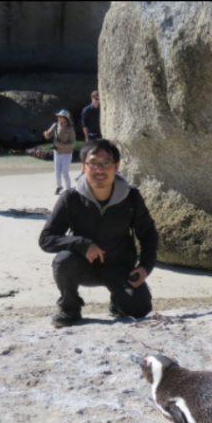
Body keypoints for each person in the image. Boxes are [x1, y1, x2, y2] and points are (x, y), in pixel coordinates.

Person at [38, 138, 158, 326]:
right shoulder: (70, 197)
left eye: (106, 163)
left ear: (116, 166)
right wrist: (82, 244)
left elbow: (148, 234)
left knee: (140, 309)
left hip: (120, 267)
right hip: (83, 266)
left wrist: (145, 267)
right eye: (93, 163)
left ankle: (117, 303)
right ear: (84, 167)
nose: (99, 169)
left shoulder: (131, 197)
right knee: (62, 261)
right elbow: (46, 239)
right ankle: (70, 308)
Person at [41, 109, 77, 195]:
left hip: (67, 153)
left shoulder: (70, 129)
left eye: (60, 116)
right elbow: (48, 135)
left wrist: (61, 145)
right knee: (57, 172)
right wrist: (46, 134)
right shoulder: (55, 125)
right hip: (57, 152)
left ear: (65, 118)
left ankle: (68, 189)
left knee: (65, 172)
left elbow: (73, 143)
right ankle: (59, 187)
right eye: (58, 116)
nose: (58, 117)